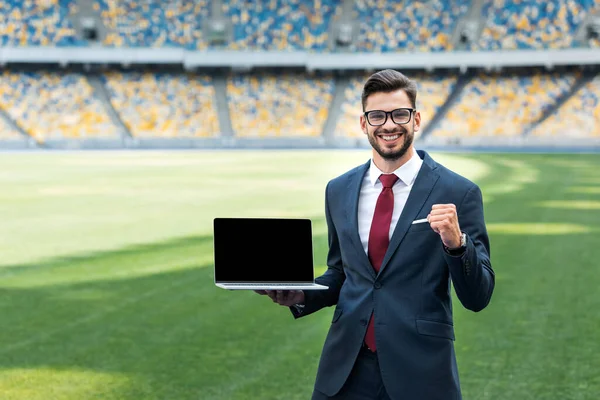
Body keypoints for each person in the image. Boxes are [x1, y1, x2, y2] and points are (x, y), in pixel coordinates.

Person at [256, 69, 495, 400]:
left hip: (420, 372)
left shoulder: (459, 192)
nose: (389, 124)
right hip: (345, 371)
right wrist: (301, 294)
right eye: (377, 115)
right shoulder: (339, 190)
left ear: (416, 119)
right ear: (364, 123)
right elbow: (343, 274)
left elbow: (478, 296)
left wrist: (458, 246)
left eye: (400, 114)